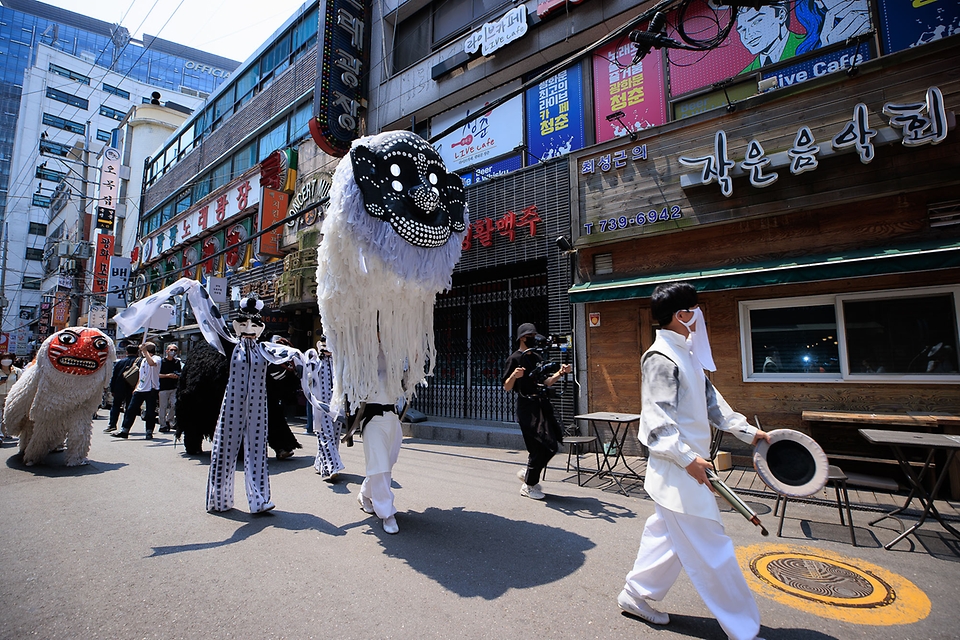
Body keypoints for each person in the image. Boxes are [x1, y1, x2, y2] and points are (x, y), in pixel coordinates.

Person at [617, 282, 769, 640]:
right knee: (713, 550)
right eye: (694, 310)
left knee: (666, 539)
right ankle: (743, 631)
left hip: (684, 471)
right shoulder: (660, 358)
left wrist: (750, 432)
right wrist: (688, 460)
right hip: (680, 472)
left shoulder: (685, 355)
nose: (698, 316)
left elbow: (713, 405)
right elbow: (655, 424)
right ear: (682, 316)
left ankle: (636, 595)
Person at [502, 323, 572, 500]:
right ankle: (529, 485)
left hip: (542, 404)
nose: (534, 338)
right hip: (527, 408)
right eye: (530, 335)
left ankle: (529, 473)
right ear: (522, 338)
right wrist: (513, 376)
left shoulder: (537, 357)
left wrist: (560, 373)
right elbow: (506, 387)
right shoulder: (515, 358)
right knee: (538, 446)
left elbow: (546, 381)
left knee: (552, 443)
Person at [309, 336, 345, 481]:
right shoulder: (315, 362)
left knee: (335, 435)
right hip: (321, 406)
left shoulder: (339, 363)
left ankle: (320, 462)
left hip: (337, 406)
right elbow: (308, 379)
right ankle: (333, 466)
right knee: (326, 434)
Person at [736, 1, 804, 73]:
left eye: (756, 22)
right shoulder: (745, 73)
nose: (747, 35)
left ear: (781, 15)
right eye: (742, 30)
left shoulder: (811, 44)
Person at [112, 341, 161, 439]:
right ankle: (125, 430)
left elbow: (152, 363)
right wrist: (136, 387)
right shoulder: (142, 360)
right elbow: (141, 375)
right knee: (131, 410)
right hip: (140, 389)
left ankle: (149, 431)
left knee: (150, 412)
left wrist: (145, 351)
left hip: (151, 389)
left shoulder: (157, 358)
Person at [265, 336, 302, 459]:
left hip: (269, 397)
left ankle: (282, 447)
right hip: (253, 395)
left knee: (274, 418)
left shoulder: (288, 362)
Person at [104, 344, 139, 433]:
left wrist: (112, 389)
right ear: (137, 352)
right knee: (129, 408)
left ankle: (112, 424)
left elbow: (114, 376)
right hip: (133, 387)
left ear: (126, 352)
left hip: (119, 387)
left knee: (116, 406)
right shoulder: (139, 362)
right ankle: (125, 426)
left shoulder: (120, 362)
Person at [157, 343, 182, 433]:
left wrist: (177, 376)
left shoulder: (177, 362)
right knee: (162, 407)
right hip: (163, 387)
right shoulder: (161, 362)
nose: (173, 352)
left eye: (175, 350)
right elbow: (157, 375)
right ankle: (162, 425)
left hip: (174, 387)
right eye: (171, 350)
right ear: (167, 351)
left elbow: (180, 373)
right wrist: (167, 376)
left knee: (175, 404)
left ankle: (169, 419)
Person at [0, 351, 23, 441]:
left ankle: (6, 432)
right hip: (0, 395)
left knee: (7, 415)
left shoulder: (17, 371)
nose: (6, 361)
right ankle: (0, 434)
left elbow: (21, 383)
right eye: (4, 359)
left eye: (8, 359)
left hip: (11, 396)